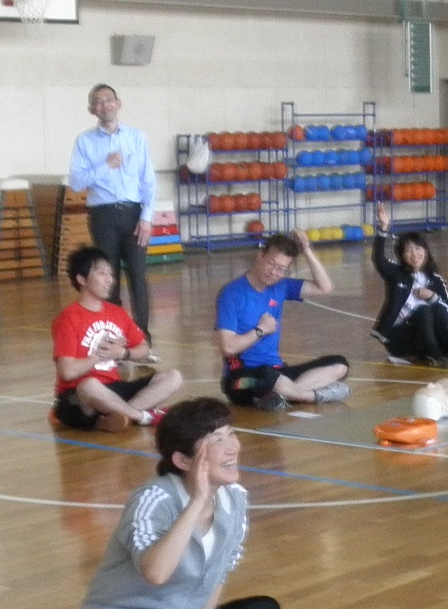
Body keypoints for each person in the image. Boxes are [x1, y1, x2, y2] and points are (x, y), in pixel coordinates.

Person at [82, 399, 328, 609]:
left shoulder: (234, 498)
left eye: (231, 433)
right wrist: (198, 501)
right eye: (216, 439)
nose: (232, 447)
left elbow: (217, 576)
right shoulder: (153, 500)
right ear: (183, 461)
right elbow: (156, 573)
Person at [53, 246, 183, 433]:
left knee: (173, 377)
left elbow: (144, 349)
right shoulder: (68, 319)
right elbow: (67, 372)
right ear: (81, 279)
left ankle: (118, 416)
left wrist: (123, 353)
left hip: (113, 389)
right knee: (89, 385)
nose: (110, 280)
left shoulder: (116, 312)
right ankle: (142, 416)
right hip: (77, 397)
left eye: (111, 274)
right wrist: (100, 355)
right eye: (102, 273)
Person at [215, 234, 350, 414]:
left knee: (339, 365)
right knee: (267, 376)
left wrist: (306, 250)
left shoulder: (281, 286)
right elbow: (228, 347)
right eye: (271, 264)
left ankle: (282, 394)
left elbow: (324, 287)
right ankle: (310, 396)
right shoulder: (232, 293)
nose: (274, 272)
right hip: (240, 380)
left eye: (281, 269)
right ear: (260, 256)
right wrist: (260, 330)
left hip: (278, 372)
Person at [69, 83, 157, 332]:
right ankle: (114, 333)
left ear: (118, 104)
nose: (105, 104)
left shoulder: (136, 137)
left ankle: (143, 335)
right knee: (109, 277)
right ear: (91, 109)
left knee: (138, 274)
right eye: (98, 101)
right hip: (103, 214)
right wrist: (104, 166)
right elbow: (76, 182)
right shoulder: (84, 141)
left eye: (109, 99)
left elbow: (148, 180)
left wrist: (146, 217)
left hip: (133, 213)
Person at [369, 204, 448, 368]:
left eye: (418, 248)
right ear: (401, 255)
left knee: (438, 307)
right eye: (408, 250)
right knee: (423, 310)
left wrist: (432, 297)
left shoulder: (436, 280)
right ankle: (434, 354)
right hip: (401, 339)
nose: (414, 254)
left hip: (427, 335)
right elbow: (378, 259)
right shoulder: (396, 274)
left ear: (426, 251)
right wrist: (383, 228)